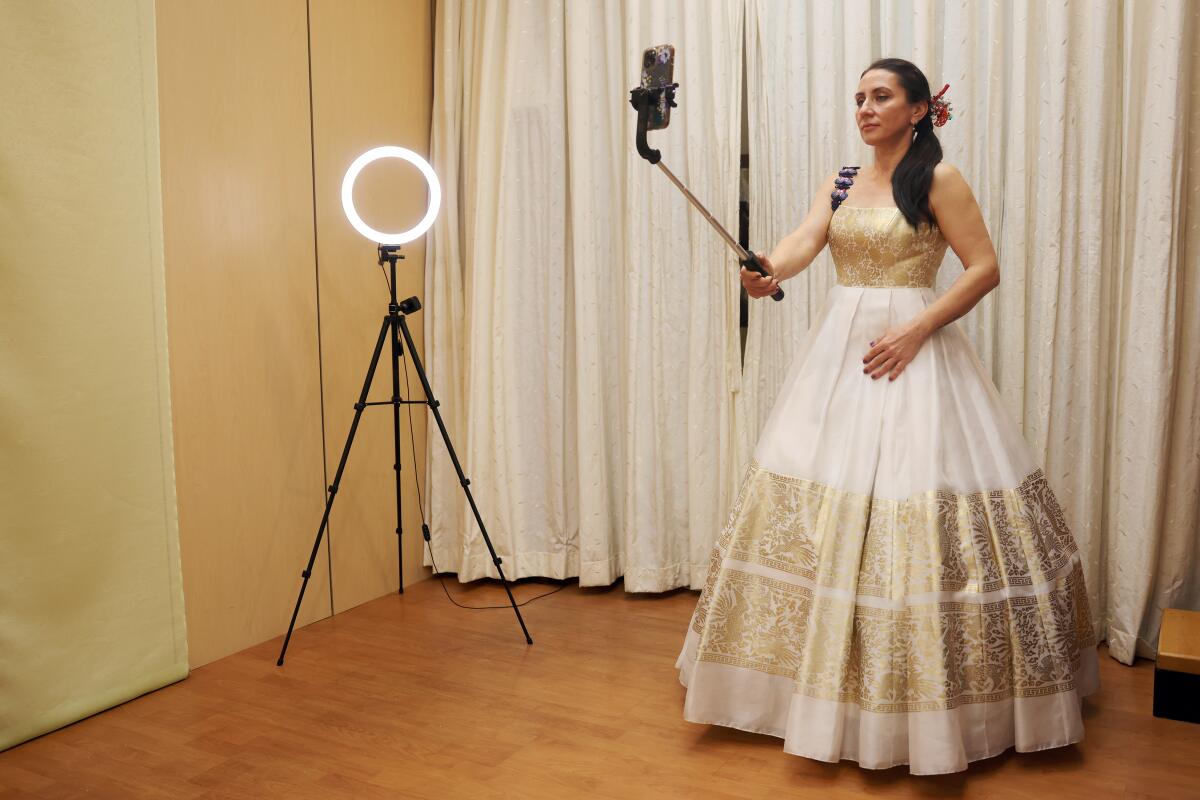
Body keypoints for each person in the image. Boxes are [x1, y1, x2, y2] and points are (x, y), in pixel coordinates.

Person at [675, 57, 1099, 776]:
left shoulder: (938, 179)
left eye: (880, 98)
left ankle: (930, 701)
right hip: (840, 354)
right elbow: (804, 243)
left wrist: (916, 329)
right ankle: (809, 687)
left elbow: (983, 267)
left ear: (917, 110)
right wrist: (766, 270)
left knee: (918, 496)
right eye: (858, 99)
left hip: (914, 347)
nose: (865, 109)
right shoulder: (842, 181)